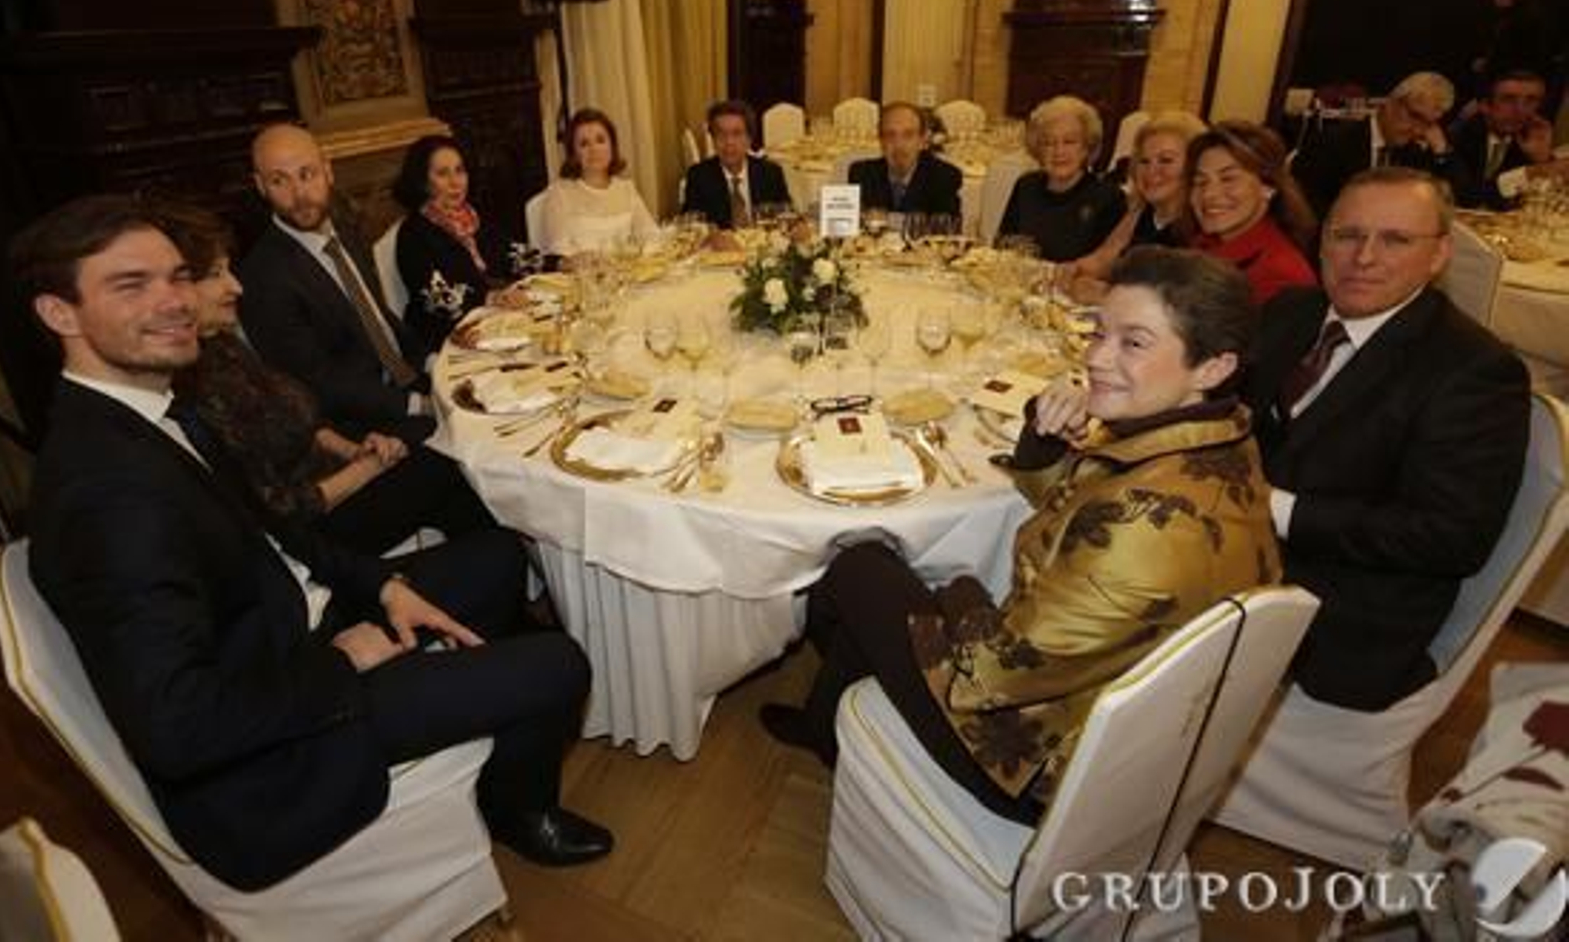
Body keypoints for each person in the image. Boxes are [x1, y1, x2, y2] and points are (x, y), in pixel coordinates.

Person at [11, 195, 613, 891]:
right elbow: (180, 727)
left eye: (177, 276)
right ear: (59, 313)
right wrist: (343, 657)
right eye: (131, 284)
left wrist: (381, 587)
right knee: (560, 663)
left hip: (289, 628)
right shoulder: (106, 495)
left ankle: (490, 716)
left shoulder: (152, 412)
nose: (174, 300)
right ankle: (519, 807)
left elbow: (281, 537)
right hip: (279, 742)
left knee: (499, 555)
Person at [759, 247, 1278, 819]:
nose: (1098, 359)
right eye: (1098, 332)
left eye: (1134, 342)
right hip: (1091, 701)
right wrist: (1046, 430)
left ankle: (834, 721)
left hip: (1031, 761)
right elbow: (1077, 500)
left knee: (857, 563)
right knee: (875, 584)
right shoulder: (1219, 439)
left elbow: (990, 672)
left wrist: (960, 590)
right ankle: (831, 717)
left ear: (1213, 367)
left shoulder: (1149, 523)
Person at [1245, 167, 1530, 710]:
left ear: (1440, 254)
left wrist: (1278, 509)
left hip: (1341, 617)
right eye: (1347, 235)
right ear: (1321, 239)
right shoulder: (1291, 311)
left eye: (1395, 239)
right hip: (1246, 566)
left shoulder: (1474, 370)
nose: (1364, 257)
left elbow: (1450, 537)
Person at [154, 199, 500, 557]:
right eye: (215, 274)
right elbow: (281, 510)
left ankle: (489, 563)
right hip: (320, 526)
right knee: (446, 456)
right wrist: (366, 468)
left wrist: (355, 449)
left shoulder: (221, 345)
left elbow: (301, 420)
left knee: (452, 475)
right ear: (176, 290)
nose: (236, 286)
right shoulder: (192, 390)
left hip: (337, 466)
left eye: (228, 269)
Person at [240, 123, 433, 446]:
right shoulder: (263, 277)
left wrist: (432, 361)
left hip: (406, 380)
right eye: (279, 181)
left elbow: (378, 316)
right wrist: (417, 405)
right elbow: (317, 383)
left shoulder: (345, 230)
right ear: (260, 186)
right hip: (362, 424)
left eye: (307, 174)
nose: (299, 195)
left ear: (328, 172)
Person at [393, 134, 512, 360]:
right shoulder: (413, 233)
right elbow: (437, 298)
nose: (455, 182)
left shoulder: (473, 216)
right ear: (422, 181)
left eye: (459, 170)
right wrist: (489, 298)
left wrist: (559, 262)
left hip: (489, 323)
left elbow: (511, 255)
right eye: (442, 173)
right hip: (445, 337)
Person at [1066, 110, 1207, 298]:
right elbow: (1102, 259)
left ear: (1194, 166)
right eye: (1144, 161)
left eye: (1165, 160)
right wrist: (1070, 270)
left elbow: (1180, 302)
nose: (1151, 171)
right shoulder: (1141, 210)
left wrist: (1108, 294)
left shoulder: (1201, 226)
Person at [1291, 72, 1471, 217]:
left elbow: (1460, 198)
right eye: (1415, 116)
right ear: (1391, 103)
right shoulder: (1334, 142)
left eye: (1428, 123)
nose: (1418, 130)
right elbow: (1307, 210)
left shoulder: (1412, 152)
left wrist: (1441, 151)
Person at [1188, 121, 1318, 306]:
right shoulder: (1202, 246)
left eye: (1228, 179)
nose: (1209, 194)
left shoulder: (1281, 276)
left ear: (1269, 187)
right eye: (1200, 182)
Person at [999, 95, 1127, 263]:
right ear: (1038, 150)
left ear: (1086, 147)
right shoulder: (1026, 186)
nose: (1059, 151)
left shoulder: (1108, 198)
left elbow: (1106, 267)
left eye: (1069, 142)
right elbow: (1003, 247)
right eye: (1048, 143)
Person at [539, 107, 659, 260]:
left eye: (600, 140)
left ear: (612, 146)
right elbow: (558, 253)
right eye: (584, 144)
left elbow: (651, 236)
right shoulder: (559, 193)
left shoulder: (626, 189)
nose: (594, 149)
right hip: (582, 280)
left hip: (628, 277)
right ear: (573, 154)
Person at [1450, 70, 1565, 209]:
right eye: (1508, 99)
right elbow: (1465, 196)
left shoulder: (1528, 137)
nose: (1521, 110)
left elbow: (1550, 205)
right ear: (1485, 105)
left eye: (1531, 100)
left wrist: (1542, 158)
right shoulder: (1459, 135)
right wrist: (1529, 173)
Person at [681, 99, 792, 229]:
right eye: (721, 134)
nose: (729, 142)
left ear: (749, 139)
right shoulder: (699, 176)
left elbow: (787, 216)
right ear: (713, 139)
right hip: (721, 249)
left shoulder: (770, 173)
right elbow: (691, 225)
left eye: (737, 134)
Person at [846, 102, 963, 221]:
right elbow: (850, 224)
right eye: (890, 135)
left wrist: (887, 219)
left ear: (922, 141)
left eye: (908, 135)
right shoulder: (862, 173)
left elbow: (948, 229)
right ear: (881, 141)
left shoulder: (944, 176)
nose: (898, 145)